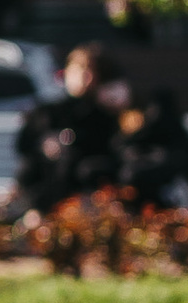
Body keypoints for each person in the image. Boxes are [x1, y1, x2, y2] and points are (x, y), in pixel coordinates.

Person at [17, 46, 125, 210]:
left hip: (83, 186)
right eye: (78, 70)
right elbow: (24, 144)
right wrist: (44, 144)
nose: (84, 77)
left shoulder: (105, 112)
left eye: (90, 71)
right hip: (46, 183)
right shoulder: (49, 111)